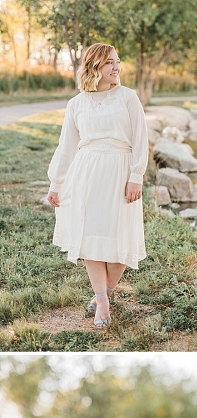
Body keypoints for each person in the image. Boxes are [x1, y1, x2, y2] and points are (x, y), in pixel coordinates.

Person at [46, 44, 149, 329]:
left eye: (117, 62)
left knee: (120, 238)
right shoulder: (76, 104)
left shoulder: (128, 97)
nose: (116, 67)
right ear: (94, 66)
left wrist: (136, 176)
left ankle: (106, 291)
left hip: (120, 169)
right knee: (91, 237)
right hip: (87, 172)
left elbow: (140, 139)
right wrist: (57, 181)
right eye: (109, 63)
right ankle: (102, 302)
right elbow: (66, 146)